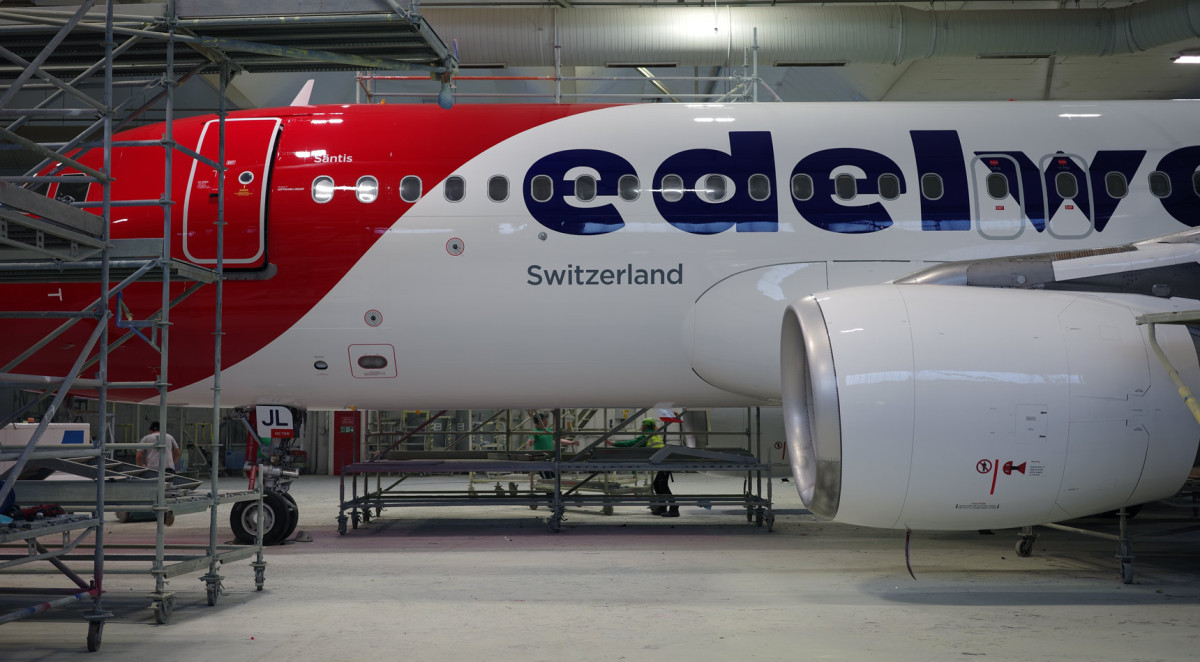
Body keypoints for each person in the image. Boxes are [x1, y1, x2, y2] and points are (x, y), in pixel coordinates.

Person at [614, 418, 677, 517]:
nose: (641, 427)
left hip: (664, 463)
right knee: (657, 485)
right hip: (664, 461)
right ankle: (662, 507)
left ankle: (674, 509)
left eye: (643, 425)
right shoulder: (655, 434)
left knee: (662, 486)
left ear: (646, 426)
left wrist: (614, 443)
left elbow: (631, 443)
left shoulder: (646, 435)